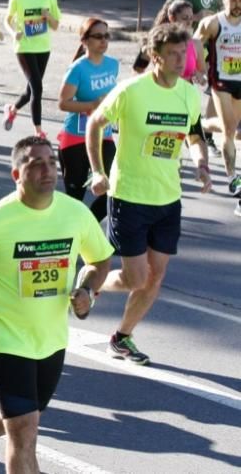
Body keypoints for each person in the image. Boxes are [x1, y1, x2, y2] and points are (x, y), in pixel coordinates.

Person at [0, 136, 112, 474]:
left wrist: (87, 290)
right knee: (24, 430)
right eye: (35, 163)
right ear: (17, 174)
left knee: (20, 416)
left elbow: (100, 259)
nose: (47, 170)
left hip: (51, 338)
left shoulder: (74, 213)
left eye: (51, 162)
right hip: (2, 337)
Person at [87, 24, 212, 365]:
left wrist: (201, 165)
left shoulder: (188, 94)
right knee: (135, 277)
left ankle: (122, 336)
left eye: (182, 54)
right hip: (129, 195)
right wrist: (98, 171)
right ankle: (91, 284)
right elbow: (95, 123)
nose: (179, 60)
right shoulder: (131, 91)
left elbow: (195, 135)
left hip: (168, 198)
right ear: (155, 57)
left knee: (155, 276)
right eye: (171, 54)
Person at [57, 18, 119, 222]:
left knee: (114, 188)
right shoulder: (78, 68)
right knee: (75, 197)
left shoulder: (113, 64)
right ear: (85, 41)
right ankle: (70, 235)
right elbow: (63, 103)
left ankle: (87, 225)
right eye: (98, 36)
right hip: (75, 138)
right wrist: (92, 105)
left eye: (107, 36)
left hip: (105, 135)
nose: (104, 41)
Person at [3, 0, 61, 138]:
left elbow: (55, 25)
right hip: (24, 47)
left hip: (43, 47)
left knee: (31, 90)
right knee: (37, 88)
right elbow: (7, 19)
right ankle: (38, 130)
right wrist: (14, 33)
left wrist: (47, 16)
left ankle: (13, 108)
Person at [193, 0, 241, 197]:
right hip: (220, 80)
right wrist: (199, 69)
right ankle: (233, 179)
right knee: (229, 130)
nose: (237, 5)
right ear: (223, 0)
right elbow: (194, 43)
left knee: (231, 128)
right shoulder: (212, 23)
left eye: (240, 1)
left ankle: (200, 124)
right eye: (232, 1)